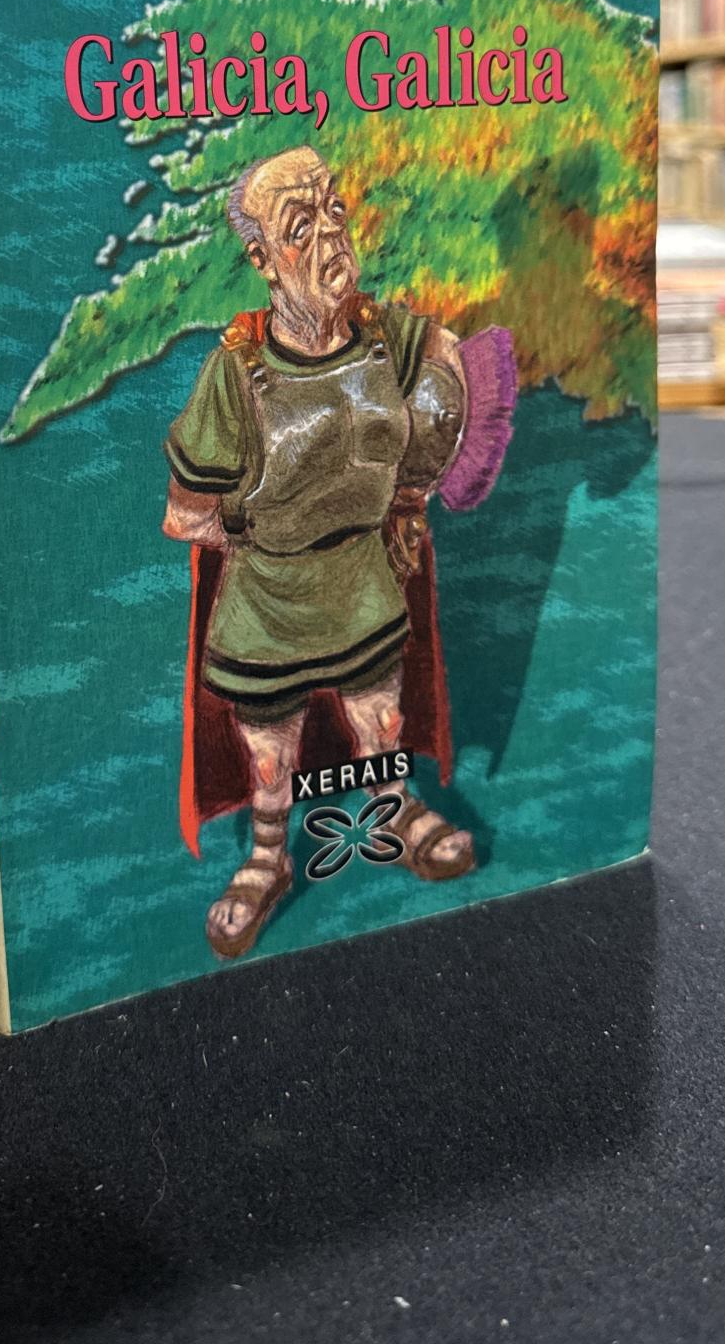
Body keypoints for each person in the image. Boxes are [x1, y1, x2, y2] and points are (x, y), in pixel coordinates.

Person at [163, 144, 515, 960]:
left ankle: (396, 809)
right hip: (268, 603)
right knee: (269, 752)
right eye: (299, 225)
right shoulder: (236, 375)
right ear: (262, 258)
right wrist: (262, 535)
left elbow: (461, 364)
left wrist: (415, 485)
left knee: (381, 717)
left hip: (363, 582)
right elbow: (186, 514)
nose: (329, 235)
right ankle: (267, 859)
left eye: (333, 210)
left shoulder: (388, 339)